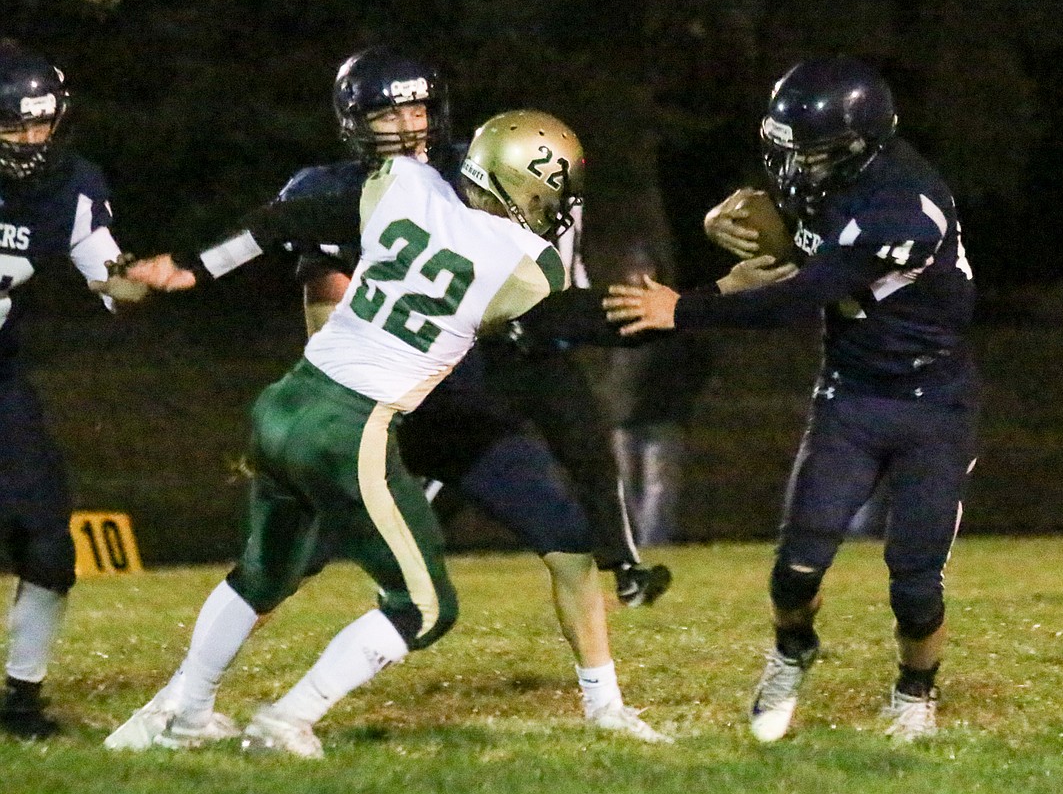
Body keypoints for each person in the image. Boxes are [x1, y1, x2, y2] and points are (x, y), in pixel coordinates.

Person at [105, 103, 670, 757]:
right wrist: (693, 309)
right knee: (425, 607)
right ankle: (287, 717)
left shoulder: (404, 185)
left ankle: (185, 712)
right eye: (547, 193)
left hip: (287, 403)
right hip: (354, 427)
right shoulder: (528, 265)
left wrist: (191, 266)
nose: (554, 207)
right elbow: (558, 321)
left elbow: (297, 220)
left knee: (261, 573)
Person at [605, 57, 979, 743]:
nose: (797, 169)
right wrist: (724, 215)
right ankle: (792, 649)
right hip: (850, 397)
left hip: (932, 405)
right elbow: (774, 226)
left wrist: (685, 308)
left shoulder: (903, 207)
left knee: (915, 583)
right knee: (795, 569)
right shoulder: (829, 178)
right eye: (790, 153)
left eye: (814, 156)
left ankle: (916, 689)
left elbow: (796, 297)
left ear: (860, 148)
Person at [0, 39, 145, 738]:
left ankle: (22, 703)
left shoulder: (71, 184)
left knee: (51, 546)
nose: (30, 142)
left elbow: (108, 278)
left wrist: (148, 280)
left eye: (41, 124)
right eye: (13, 126)